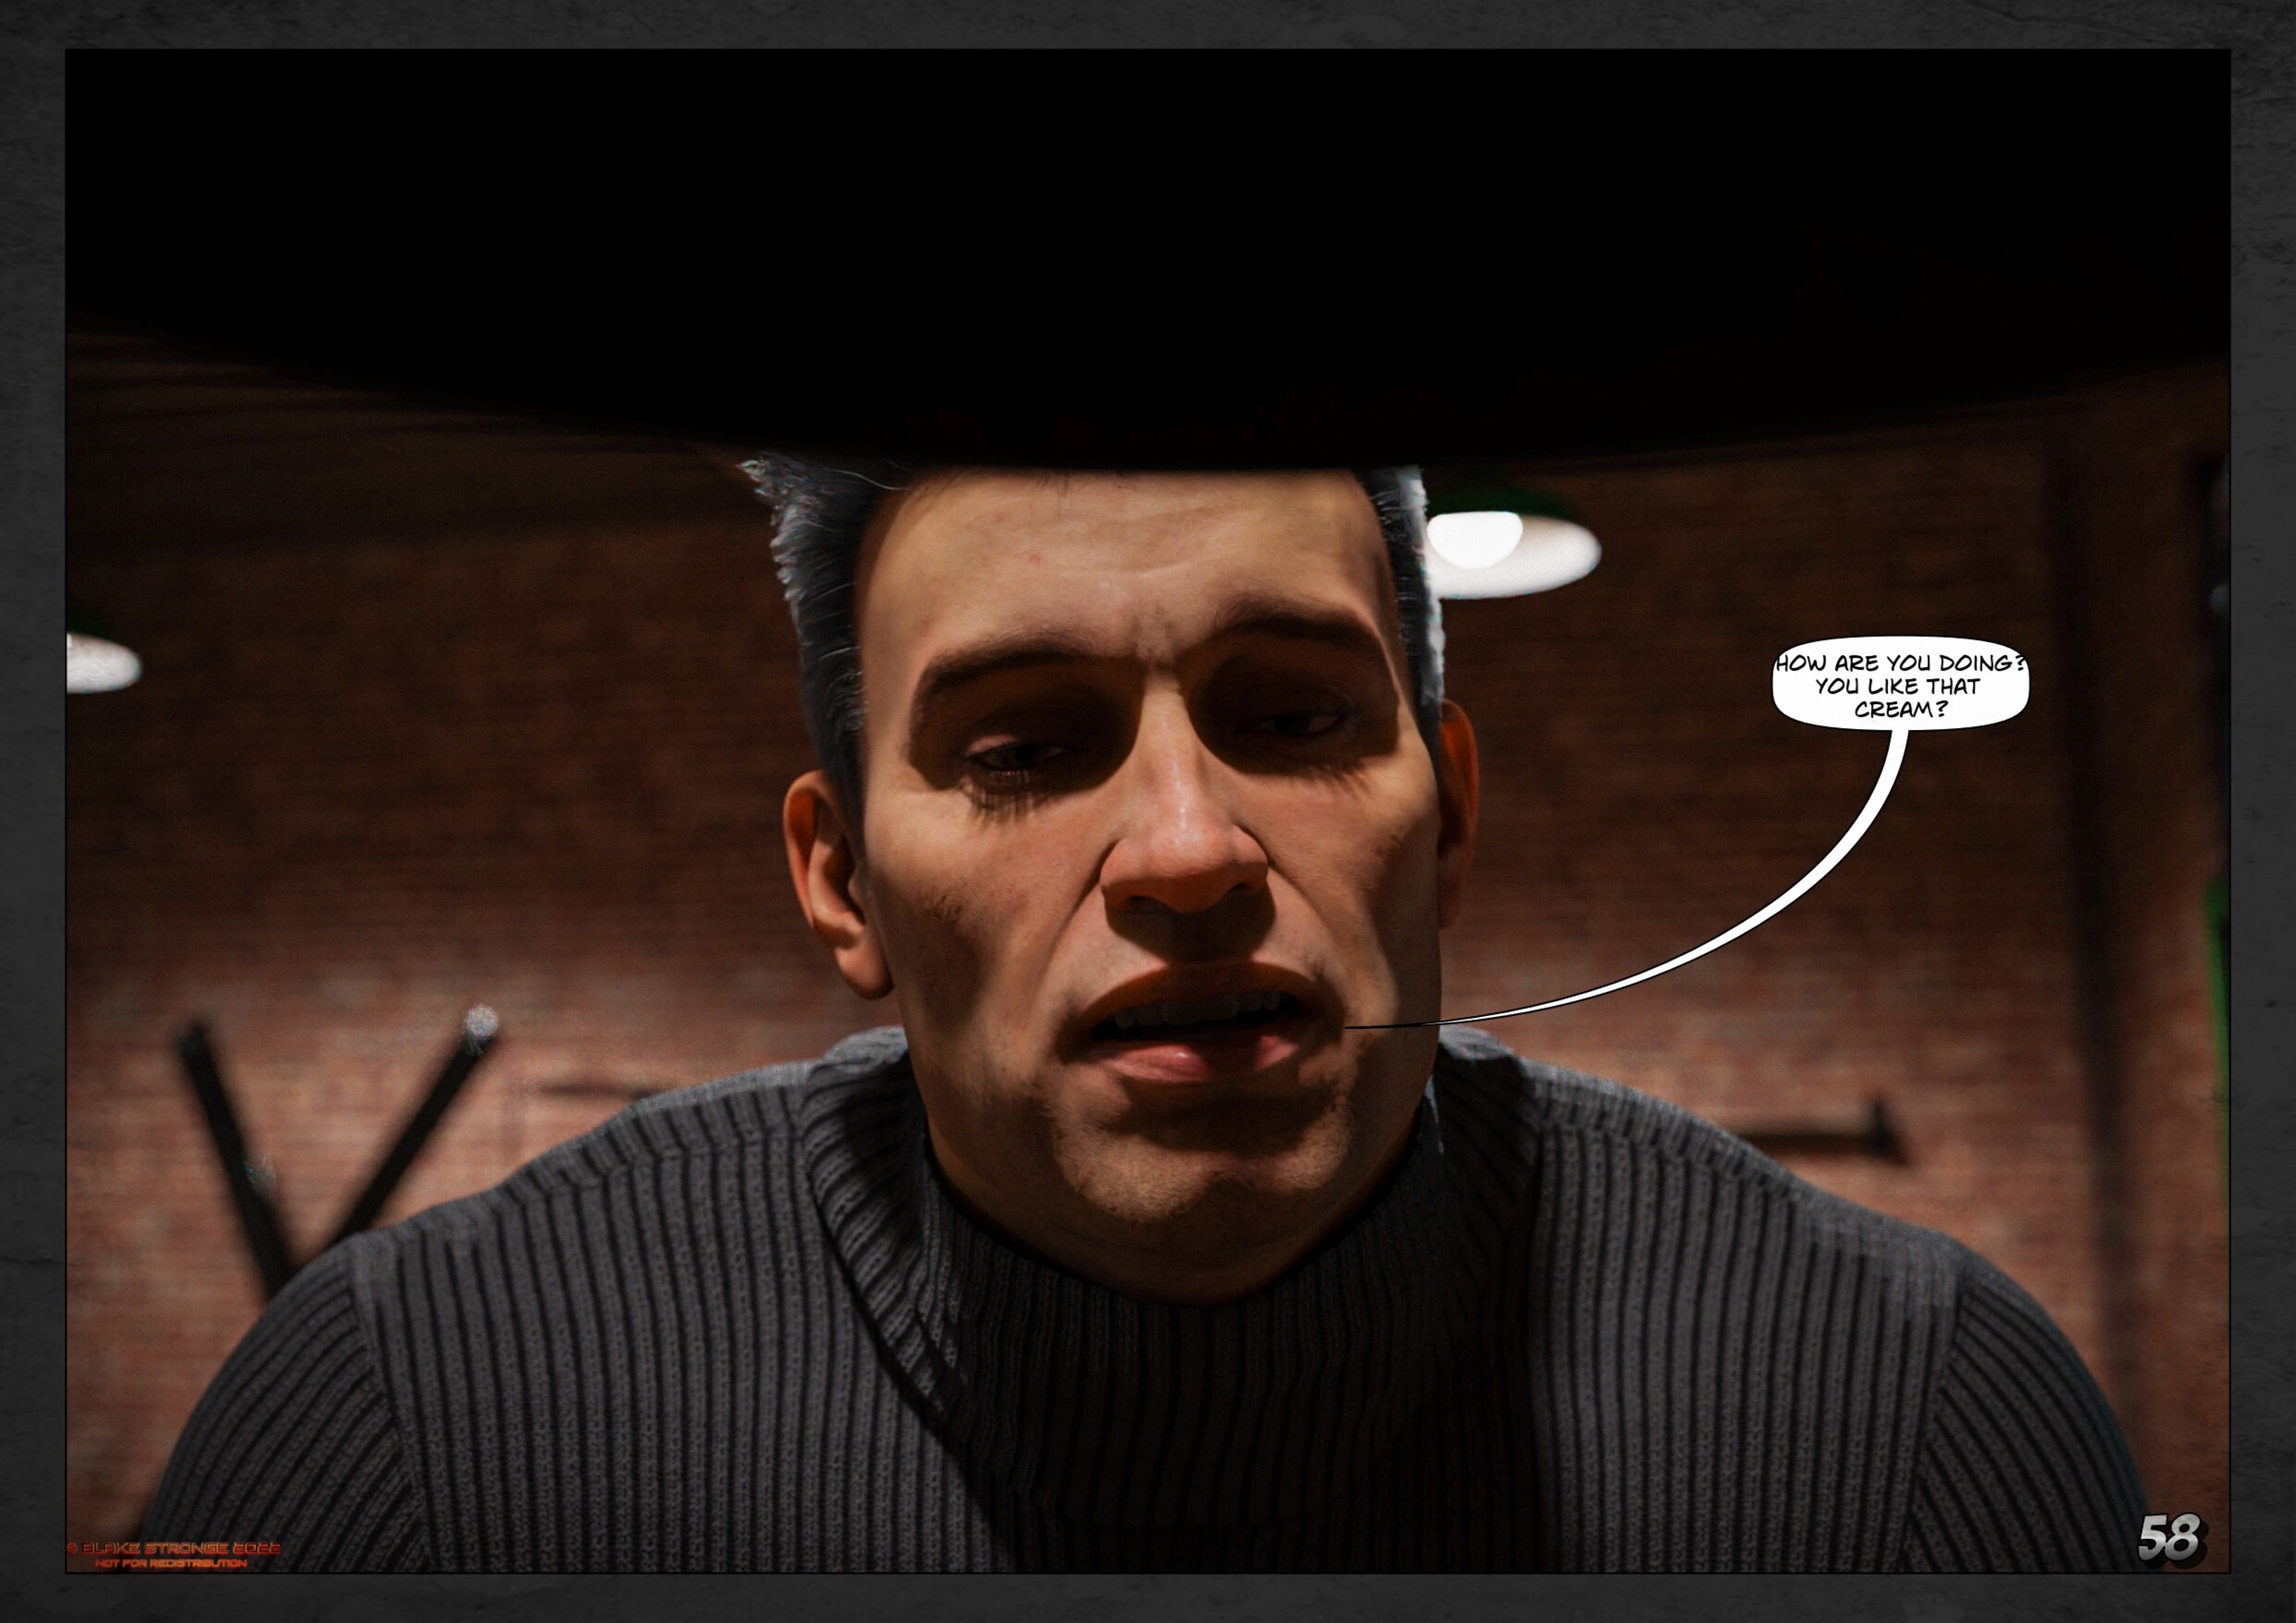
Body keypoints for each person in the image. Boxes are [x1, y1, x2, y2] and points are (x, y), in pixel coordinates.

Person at [144, 459, 2146, 1572]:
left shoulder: (1917, 1426)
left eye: (1294, 715)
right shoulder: (406, 1428)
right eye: (1023, 747)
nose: (1188, 850)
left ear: (1447, 808)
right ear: (840, 883)